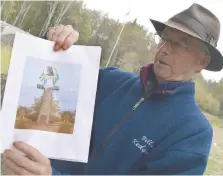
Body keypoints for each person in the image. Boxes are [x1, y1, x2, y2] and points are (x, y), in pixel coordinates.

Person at [2, 3, 223, 175]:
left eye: (179, 44)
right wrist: (53, 44)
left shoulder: (193, 133)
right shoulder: (112, 81)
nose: (164, 49)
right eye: (164, 38)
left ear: (202, 62)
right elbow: (52, 78)